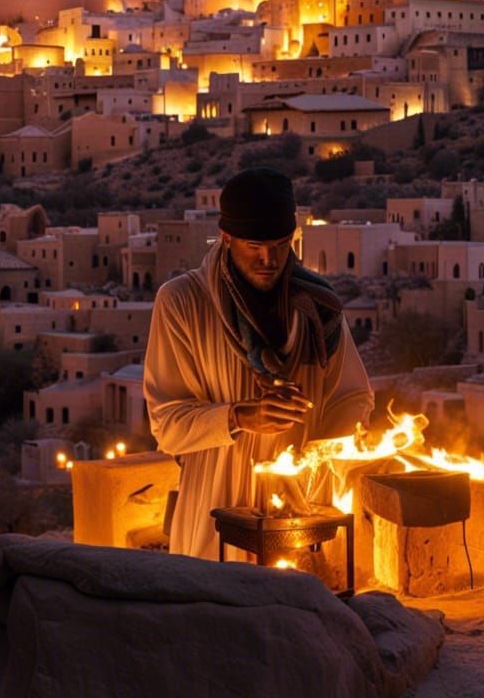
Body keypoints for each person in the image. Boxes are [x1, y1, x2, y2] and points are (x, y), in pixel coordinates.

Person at [143, 167, 374, 561]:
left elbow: (352, 397)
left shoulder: (318, 307)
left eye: (280, 245)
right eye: (254, 246)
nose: (268, 259)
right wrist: (238, 416)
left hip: (301, 515)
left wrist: (311, 454)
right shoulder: (182, 302)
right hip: (218, 510)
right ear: (227, 237)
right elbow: (166, 425)